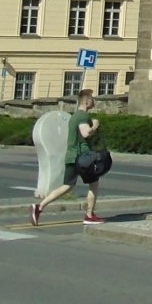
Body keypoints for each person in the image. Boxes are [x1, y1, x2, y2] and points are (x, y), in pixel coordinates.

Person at [30, 90, 105, 225]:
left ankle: (39, 207)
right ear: (86, 101)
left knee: (67, 186)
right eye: (92, 99)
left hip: (71, 156)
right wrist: (95, 125)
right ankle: (89, 215)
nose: (94, 101)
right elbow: (86, 133)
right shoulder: (82, 116)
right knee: (93, 184)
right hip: (82, 157)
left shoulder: (74, 116)